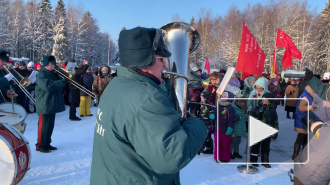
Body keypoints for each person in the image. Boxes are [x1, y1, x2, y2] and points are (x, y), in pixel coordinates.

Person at [90, 26, 207, 184]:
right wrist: (199, 124)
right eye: (160, 59)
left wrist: (164, 87)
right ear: (144, 61)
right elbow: (172, 157)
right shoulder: (147, 100)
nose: (164, 65)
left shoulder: (116, 84)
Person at [35, 56, 67, 153]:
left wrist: (64, 76)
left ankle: (47, 143)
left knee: (50, 125)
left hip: (51, 104)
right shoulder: (41, 74)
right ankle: (40, 145)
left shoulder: (52, 73)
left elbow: (60, 81)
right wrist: (62, 82)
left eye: (53, 64)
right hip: (44, 104)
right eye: (51, 64)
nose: (53, 66)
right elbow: (48, 86)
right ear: (46, 65)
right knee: (43, 126)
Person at [250, 92, 279, 168]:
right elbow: (254, 116)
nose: (263, 99)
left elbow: (275, 120)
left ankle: (265, 161)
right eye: (263, 98)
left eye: (265, 99)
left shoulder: (272, 109)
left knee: (266, 147)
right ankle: (253, 160)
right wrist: (258, 111)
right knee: (255, 146)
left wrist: (276, 130)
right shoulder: (258, 107)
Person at [231, 95, 247, 159]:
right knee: (232, 142)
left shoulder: (242, 109)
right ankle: (229, 153)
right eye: (241, 102)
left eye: (244, 102)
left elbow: (244, 116)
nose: (243, 104)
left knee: (238, 141)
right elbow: (231, 119)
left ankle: (236, 152)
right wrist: (236, 118)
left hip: (240, 129)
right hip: (235, 129)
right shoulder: (234, 109)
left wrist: (247, 116)